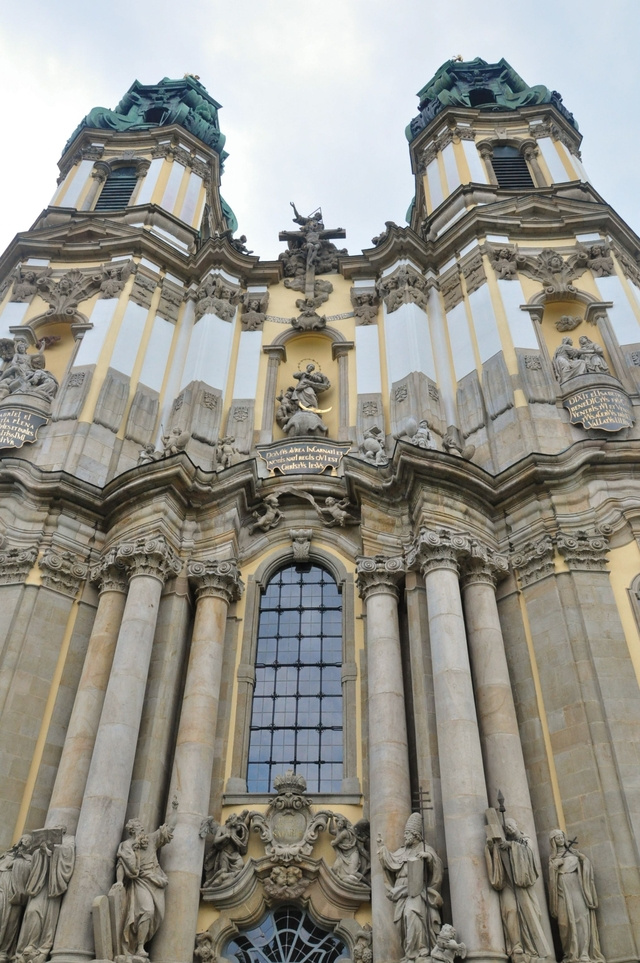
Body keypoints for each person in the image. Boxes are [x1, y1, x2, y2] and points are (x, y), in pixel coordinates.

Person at [110, 810, 176, 959]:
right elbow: (121, 864)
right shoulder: (126, 845)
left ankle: (140, 945)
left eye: (142, 828)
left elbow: (169, 828)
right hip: (139, 882)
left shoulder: (150, 840)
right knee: (147, 911)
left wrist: (175, 809)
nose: (142, 830)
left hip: (156, 883)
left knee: (157, 915)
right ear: (132, 831)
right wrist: (119, 881)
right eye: (139, 828)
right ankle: (139, 947)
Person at [377, 812, 443, 960]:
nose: (404, 836)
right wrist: (382, 848)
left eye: (407, 833)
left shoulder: (425, 849)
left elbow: (437, 866)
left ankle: (420, 949)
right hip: (400, 890)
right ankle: (409, 953)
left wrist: (429, 858)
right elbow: (390, 862)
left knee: (412, 913)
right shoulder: (402, 851)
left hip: (416, 889)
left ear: (415, 835)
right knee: (401, 923)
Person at [485, 817, 550, 963]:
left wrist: (511, 846)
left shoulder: (525, 840)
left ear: (516, 824)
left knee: (531, 913)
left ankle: (532, 949)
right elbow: (495, 855)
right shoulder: (502, 843)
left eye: (510, 825)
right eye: (506, 827)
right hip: (507, 883)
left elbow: (528, 852)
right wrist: (491, 847)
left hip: (523, 885)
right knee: (510, 910)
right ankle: (516, 946)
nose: (509, 828)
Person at [548, 830, 603, 963]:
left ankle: (584, 952)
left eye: (561, 837)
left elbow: (585, 867)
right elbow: (551, 878)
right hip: (561, 891)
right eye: (557, 838)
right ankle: (570, 953)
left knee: (582, 918)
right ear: (553, 842)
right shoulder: (552, 858)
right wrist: (554, 867)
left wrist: (583, 860)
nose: (560, 840)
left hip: (576, 888)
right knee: (563, 923)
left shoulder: (574, 853)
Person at [0, 836, 32, 963]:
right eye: (22, 840)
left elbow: (30, 871)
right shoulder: (5, 856)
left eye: (27, 841)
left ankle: (3, 950)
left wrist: (17, 863)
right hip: (2, 888)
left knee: (10, 920)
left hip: (15, 893)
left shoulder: (28, 860)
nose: (23, 842)